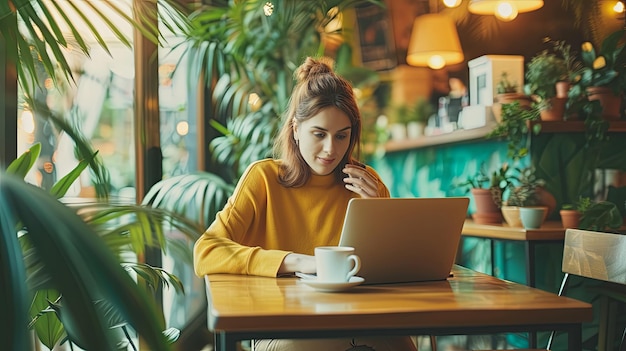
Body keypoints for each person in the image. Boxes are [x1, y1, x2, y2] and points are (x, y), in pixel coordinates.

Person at [194, 56, 417, 351]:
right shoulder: (263, 179)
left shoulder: (367, 184)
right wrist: (296, 262)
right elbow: (206, 251)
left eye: (342, 136)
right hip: (279, 326)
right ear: (296, 129)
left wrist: (381, 213)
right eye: (319, 134)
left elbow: (394, 273)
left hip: (357, 318)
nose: (331, 149)